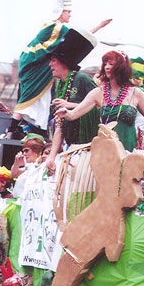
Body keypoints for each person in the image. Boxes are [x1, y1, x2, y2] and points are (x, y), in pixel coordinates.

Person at [7, 0, 111, 138]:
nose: (70, 15)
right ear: (61, 12)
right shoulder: (57, 28)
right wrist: (99, 26)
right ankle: (12, 129)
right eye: (68, 12)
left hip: (36, 64)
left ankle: (32, 130)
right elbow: (77, 38)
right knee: (31, 94)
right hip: (36, 65)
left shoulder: (54, 27)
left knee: (42, 98)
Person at [54, 50, 144, 153]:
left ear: (122, 67)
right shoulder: (98, 93)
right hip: (104, 154)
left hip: (128, 152)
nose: (107, 67)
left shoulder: (136, 93)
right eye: (105, 64)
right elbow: (73, 115)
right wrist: (66, 113)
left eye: (111, 64)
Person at [44, 28, 104, 175]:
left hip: (89, 148)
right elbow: (60, 125)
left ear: (64, 62)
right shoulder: (58, 87)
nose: (50, 65)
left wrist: (71, 106)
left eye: (53, 60)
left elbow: (102, 106)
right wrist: (51, 157)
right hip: (71, 149)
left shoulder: (82, 79)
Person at [11, 134, 52, 198]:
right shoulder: (29, 167)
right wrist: (17, 162)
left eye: (26, 150)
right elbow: (14, 174)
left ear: (37, 151)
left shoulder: (44, 166)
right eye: (23, 151)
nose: (24, 154)